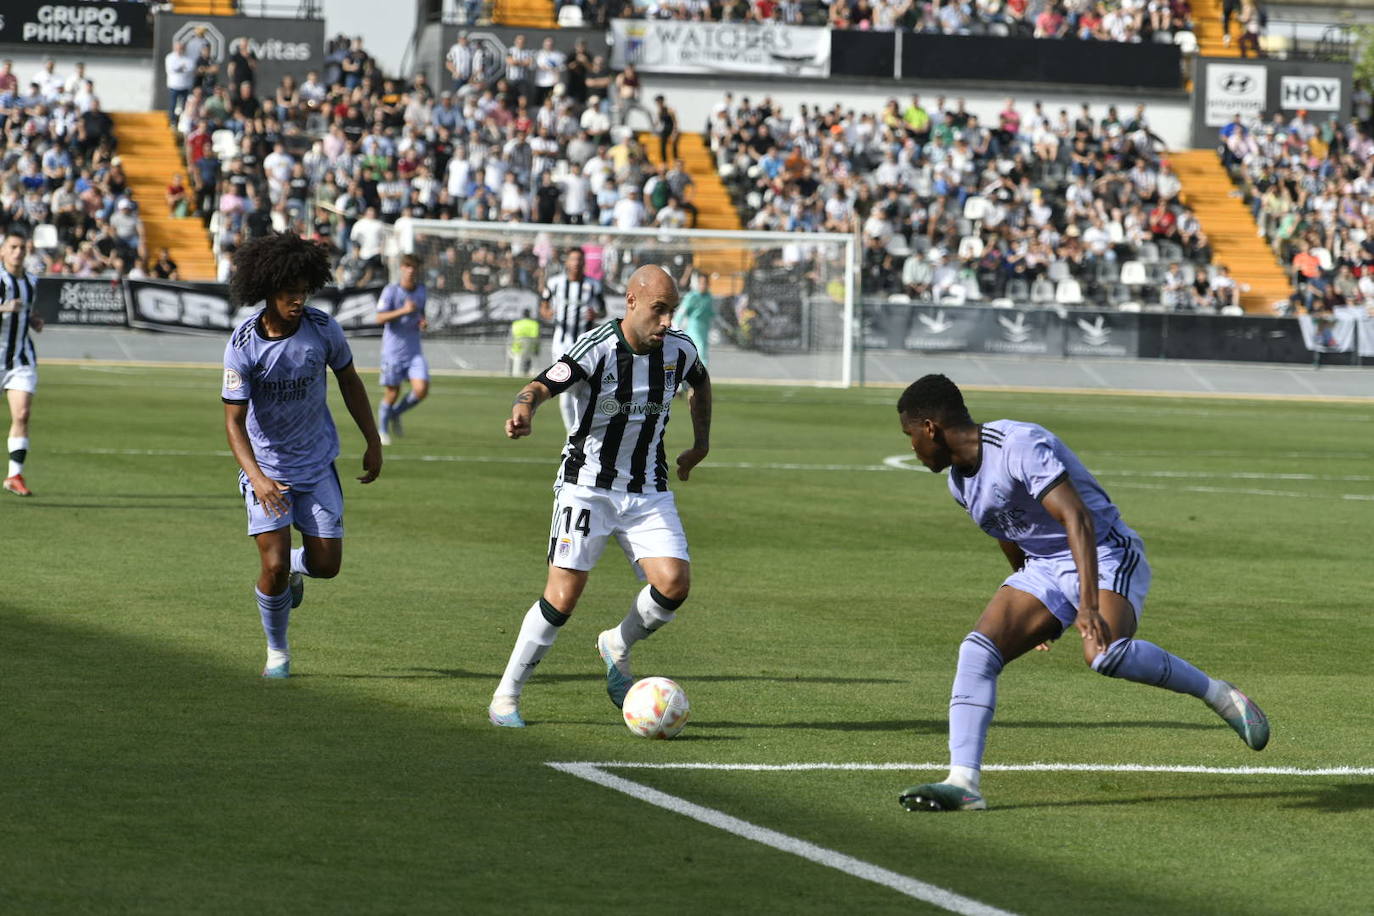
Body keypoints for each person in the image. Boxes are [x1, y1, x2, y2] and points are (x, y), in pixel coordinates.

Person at [894, 375, 1269, 812]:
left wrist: (1086, 607)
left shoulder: (1017, 443)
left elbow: (1078, 519)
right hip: (1045, 569)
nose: (912, 448)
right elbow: (1008, 530)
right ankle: (964, 782)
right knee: (977, 652)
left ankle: (1219, 694)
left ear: (930, 427)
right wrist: (1038, 611)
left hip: (1105, 551)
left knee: (1104, 654)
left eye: (910, 436)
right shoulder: (959, 482)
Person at [488, 265, 712, 728]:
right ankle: (505, 696)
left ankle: (617, 643)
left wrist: (701, 443)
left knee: (674, 585)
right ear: (631, 302)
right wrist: (523, 408)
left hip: (648, 487)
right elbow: (542, 383)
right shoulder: (598, 347)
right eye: (659, 310)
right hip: (587, 486)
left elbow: (700, 382)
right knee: (562, 598)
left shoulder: (680, 349)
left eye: (672, 310)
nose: (668, 321)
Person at [221, 232, 382, 678]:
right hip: (267, 470)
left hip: (316, 464)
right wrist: (256, 478)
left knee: (326, 567)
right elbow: (233, 423)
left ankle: (297, 567)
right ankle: (278, 651)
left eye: (302, 292)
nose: (297, 301)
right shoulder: (243, 344)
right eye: (289, 294)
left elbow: (351, 382)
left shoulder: (323, 328)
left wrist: (372, 439)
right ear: (267, 292)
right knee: (270, 566)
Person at [539, 247, 606, 434]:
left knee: (584, 389)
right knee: (564, 389)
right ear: (567, 262)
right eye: (573, 259)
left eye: (579, 259)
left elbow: (603, 310)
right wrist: (548, 313)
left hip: (585, 345)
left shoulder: (594, 285)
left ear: (584, 263)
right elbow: (543, 307)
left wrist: (596, 313)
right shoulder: (554, 283)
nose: (576, 263)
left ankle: (582, 429)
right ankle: (573, 434)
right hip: (561, 344)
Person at [1, 231, 43, 497]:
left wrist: (33, 321)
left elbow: (25, 312)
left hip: (20, 358)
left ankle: (14, 475)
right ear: (3, 251)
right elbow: (8, 310)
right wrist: (3, 309)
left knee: (22, 414)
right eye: (13, 247)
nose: (18, 252)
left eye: (22, 248)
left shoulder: (31, 281)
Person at [374, 254, 429, 446]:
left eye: (414, 267)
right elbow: (379, 318)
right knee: (392, 392)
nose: (410, 270)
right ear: (402, 269)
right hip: (393, 351)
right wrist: (403, 311)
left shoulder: (422, 290)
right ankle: (381, 430)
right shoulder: (391, 291)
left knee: (421, 389)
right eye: (407, 266)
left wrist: (422, 321)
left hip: (414, 351)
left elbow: (421, 313)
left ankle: (394, 413)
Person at [676, 269, 714, 366]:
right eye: (700, 283)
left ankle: (699, 378)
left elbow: (712, 314)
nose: (702, 285)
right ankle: (699, 378)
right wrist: (674, 325)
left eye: (705, 283)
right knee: (699, 352)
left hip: (704, 329)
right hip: (693, 327)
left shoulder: (709, 297)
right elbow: (681, 312)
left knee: (703, 353)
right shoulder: (692, 296)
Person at [509, 308, 541, 377]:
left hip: (518, 349)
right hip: (531, 349)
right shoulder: (534, 324)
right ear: (530, 315)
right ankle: (531, 372)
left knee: (513, 354)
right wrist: (537, 349)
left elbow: (512, 337)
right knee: (532, 354)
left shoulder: (516, 324)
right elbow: (537, 338)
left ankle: (515, 373)